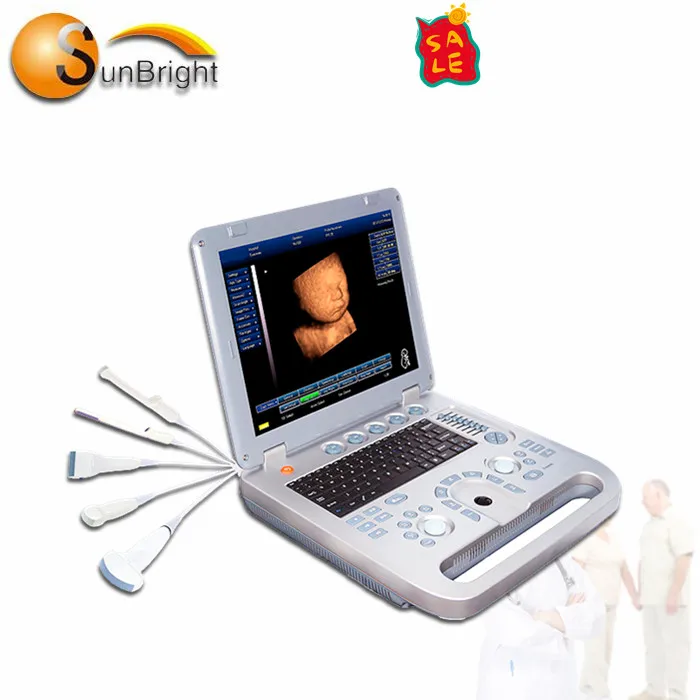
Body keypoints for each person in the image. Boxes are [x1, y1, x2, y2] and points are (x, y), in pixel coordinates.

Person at [477, 555, 605, 700]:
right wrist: (567, 619)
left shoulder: (562, 561)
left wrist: (547, 617)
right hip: (514, 682)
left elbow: (596, 617)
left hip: (561, 682)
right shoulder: (495, 566)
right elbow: (515, 630)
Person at [630, 480, 693, 700]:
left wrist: (674, 593)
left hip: (670, 599)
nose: (643, 502)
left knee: (676, 647)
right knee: (653, 646)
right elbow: (643, 561)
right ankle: (654, 691)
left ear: (659, 495)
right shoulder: (649, 526)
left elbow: (684, 558)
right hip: (650, 598)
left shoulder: (676, 521)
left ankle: (677, 694)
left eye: (646, 498)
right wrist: (639, 593)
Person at [573, 524, 640, 700]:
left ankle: (586, 682)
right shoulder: (587, 539)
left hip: (611, 602)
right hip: (594, 603)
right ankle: (598, 687)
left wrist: (634, 595)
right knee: (595, 646)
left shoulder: (614, 538)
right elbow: (576, 570)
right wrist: (575, 597)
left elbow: (624, 570)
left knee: (607, 646)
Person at [292, 252, 356, 359]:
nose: (338, 295)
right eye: (322, 291)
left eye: (340, 283)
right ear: (301, 302)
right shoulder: (303, 340)